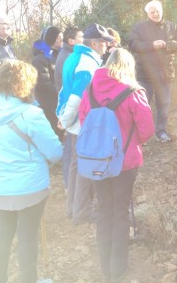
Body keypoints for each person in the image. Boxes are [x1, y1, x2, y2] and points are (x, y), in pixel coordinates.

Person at [0, 60, 62, 283]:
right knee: (27, 237)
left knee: (2, 234)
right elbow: (54, 152)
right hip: (29, 188)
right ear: (26, 84)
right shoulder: (30, 114)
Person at [79, 48, 154, 283]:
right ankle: (118, 268)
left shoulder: (90, 90)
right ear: (128, 66)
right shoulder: (133, 92)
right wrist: (132, 143)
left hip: (97, 161)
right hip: (125, 161)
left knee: (104, 209)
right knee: (120, 210)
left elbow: (84, 122)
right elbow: (147, 129)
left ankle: (104, 265)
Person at [57, 24, 113, 224]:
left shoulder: (75, 57)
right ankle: (82, 211)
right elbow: (76, 96)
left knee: (75, 165)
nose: (107, 46)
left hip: (75, 123)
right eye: (105, 43)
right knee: (84, 166)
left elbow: (64, 90)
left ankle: (72, 207)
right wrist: (64, 120)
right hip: (82, 124)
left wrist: (62, 116)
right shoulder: (87, 64)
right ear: (95, 43)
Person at [127, 0, 177, 143]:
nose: (155, 14)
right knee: (142, 106)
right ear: (147, 14)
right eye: (152, 12)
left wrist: (167, 45)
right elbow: (132, 44)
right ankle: (141, 136)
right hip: (144, 75)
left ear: (162, 11)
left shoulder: (172, 26)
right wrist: (151, 45)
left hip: (165, 74)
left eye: (157, 11)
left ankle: (161, 132)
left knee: (164, 105)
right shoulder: (139, 27)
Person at [53, 25, 84, 189]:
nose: (84, 40)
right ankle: (69, 185)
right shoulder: (69, 57)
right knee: (71, 150)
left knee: (71, 148)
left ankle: (69, 185)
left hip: (68, 107)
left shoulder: (68, 54)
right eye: (81, 37)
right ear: (71, 41)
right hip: (69, 108)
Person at [32, 26, 63, 140]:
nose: (61, 40)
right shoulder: (40, 59)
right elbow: (44, 84)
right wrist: (62, 91)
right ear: (51, 39)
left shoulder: (59, 54)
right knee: (54, 133)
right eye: (59, 37)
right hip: (49, 104)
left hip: (59, 100)